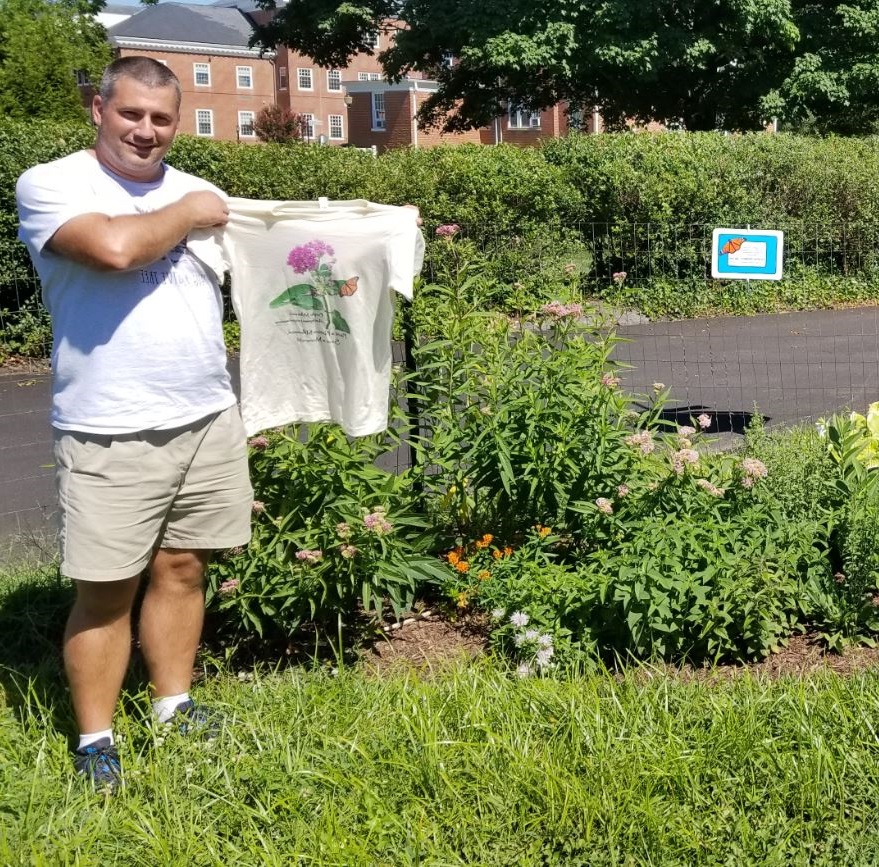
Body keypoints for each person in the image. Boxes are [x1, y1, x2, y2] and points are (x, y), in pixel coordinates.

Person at [16, 56, 253, 792]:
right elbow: (114, 248)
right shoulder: (52, 183)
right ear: (97, 108)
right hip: (108, 425)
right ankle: (95, 739)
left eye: (161, 118)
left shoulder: (195, 190)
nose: (146, 131)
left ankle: (173, 706)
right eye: (130, 114)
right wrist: (189, 213)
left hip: (206, 413)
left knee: (185, 568)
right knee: (105, 589)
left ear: (176, 122)